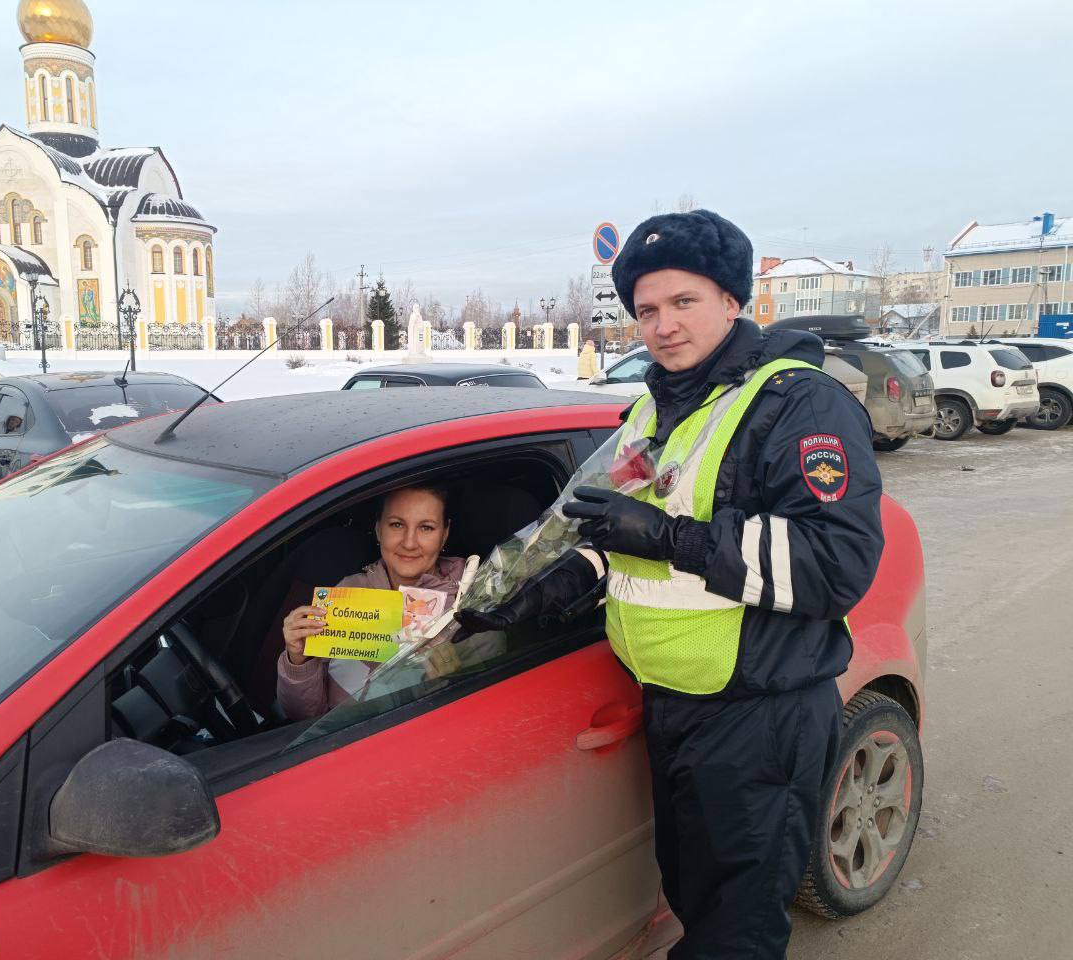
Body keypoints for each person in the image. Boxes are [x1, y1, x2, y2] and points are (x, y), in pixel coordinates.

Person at [458, 209, 883, 959]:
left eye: (683, 302)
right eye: (647, 310)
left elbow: (836, 564)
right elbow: (623, 539)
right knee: (693, 894)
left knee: (735, 929)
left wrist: (668, 538)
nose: (663, 325)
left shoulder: (796, 403)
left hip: (761, 711)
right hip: (674, 704)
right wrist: (544, 595)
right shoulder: (655, 406)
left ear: (730, 300)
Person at [277, 485, 467, 721]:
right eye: (397, 524)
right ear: (378, 529)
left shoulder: (468, 608)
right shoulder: (349, 591)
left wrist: (451, 687)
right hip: (330, 747)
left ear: (444, 534)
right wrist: (299, 660)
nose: (409, 543)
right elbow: (305, 717)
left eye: (426, 527)